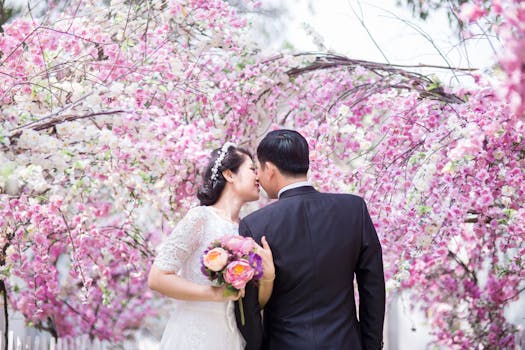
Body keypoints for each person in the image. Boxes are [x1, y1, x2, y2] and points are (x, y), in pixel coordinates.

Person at [235, 129, 386, 350]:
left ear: (269, 169)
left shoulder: (256, 225)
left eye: (258, 168)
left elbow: (248, 305)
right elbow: (373, 286)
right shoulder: (354, 209)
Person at [148, 142, 274, 350]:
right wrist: (214, 294)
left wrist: (269, 275)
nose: (258, 176)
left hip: (234, 336)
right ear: (229, 174)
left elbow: (254, 303)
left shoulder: (247, 229)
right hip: (195, 332)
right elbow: (158, 278)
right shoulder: (201, 218)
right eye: (252, 169)